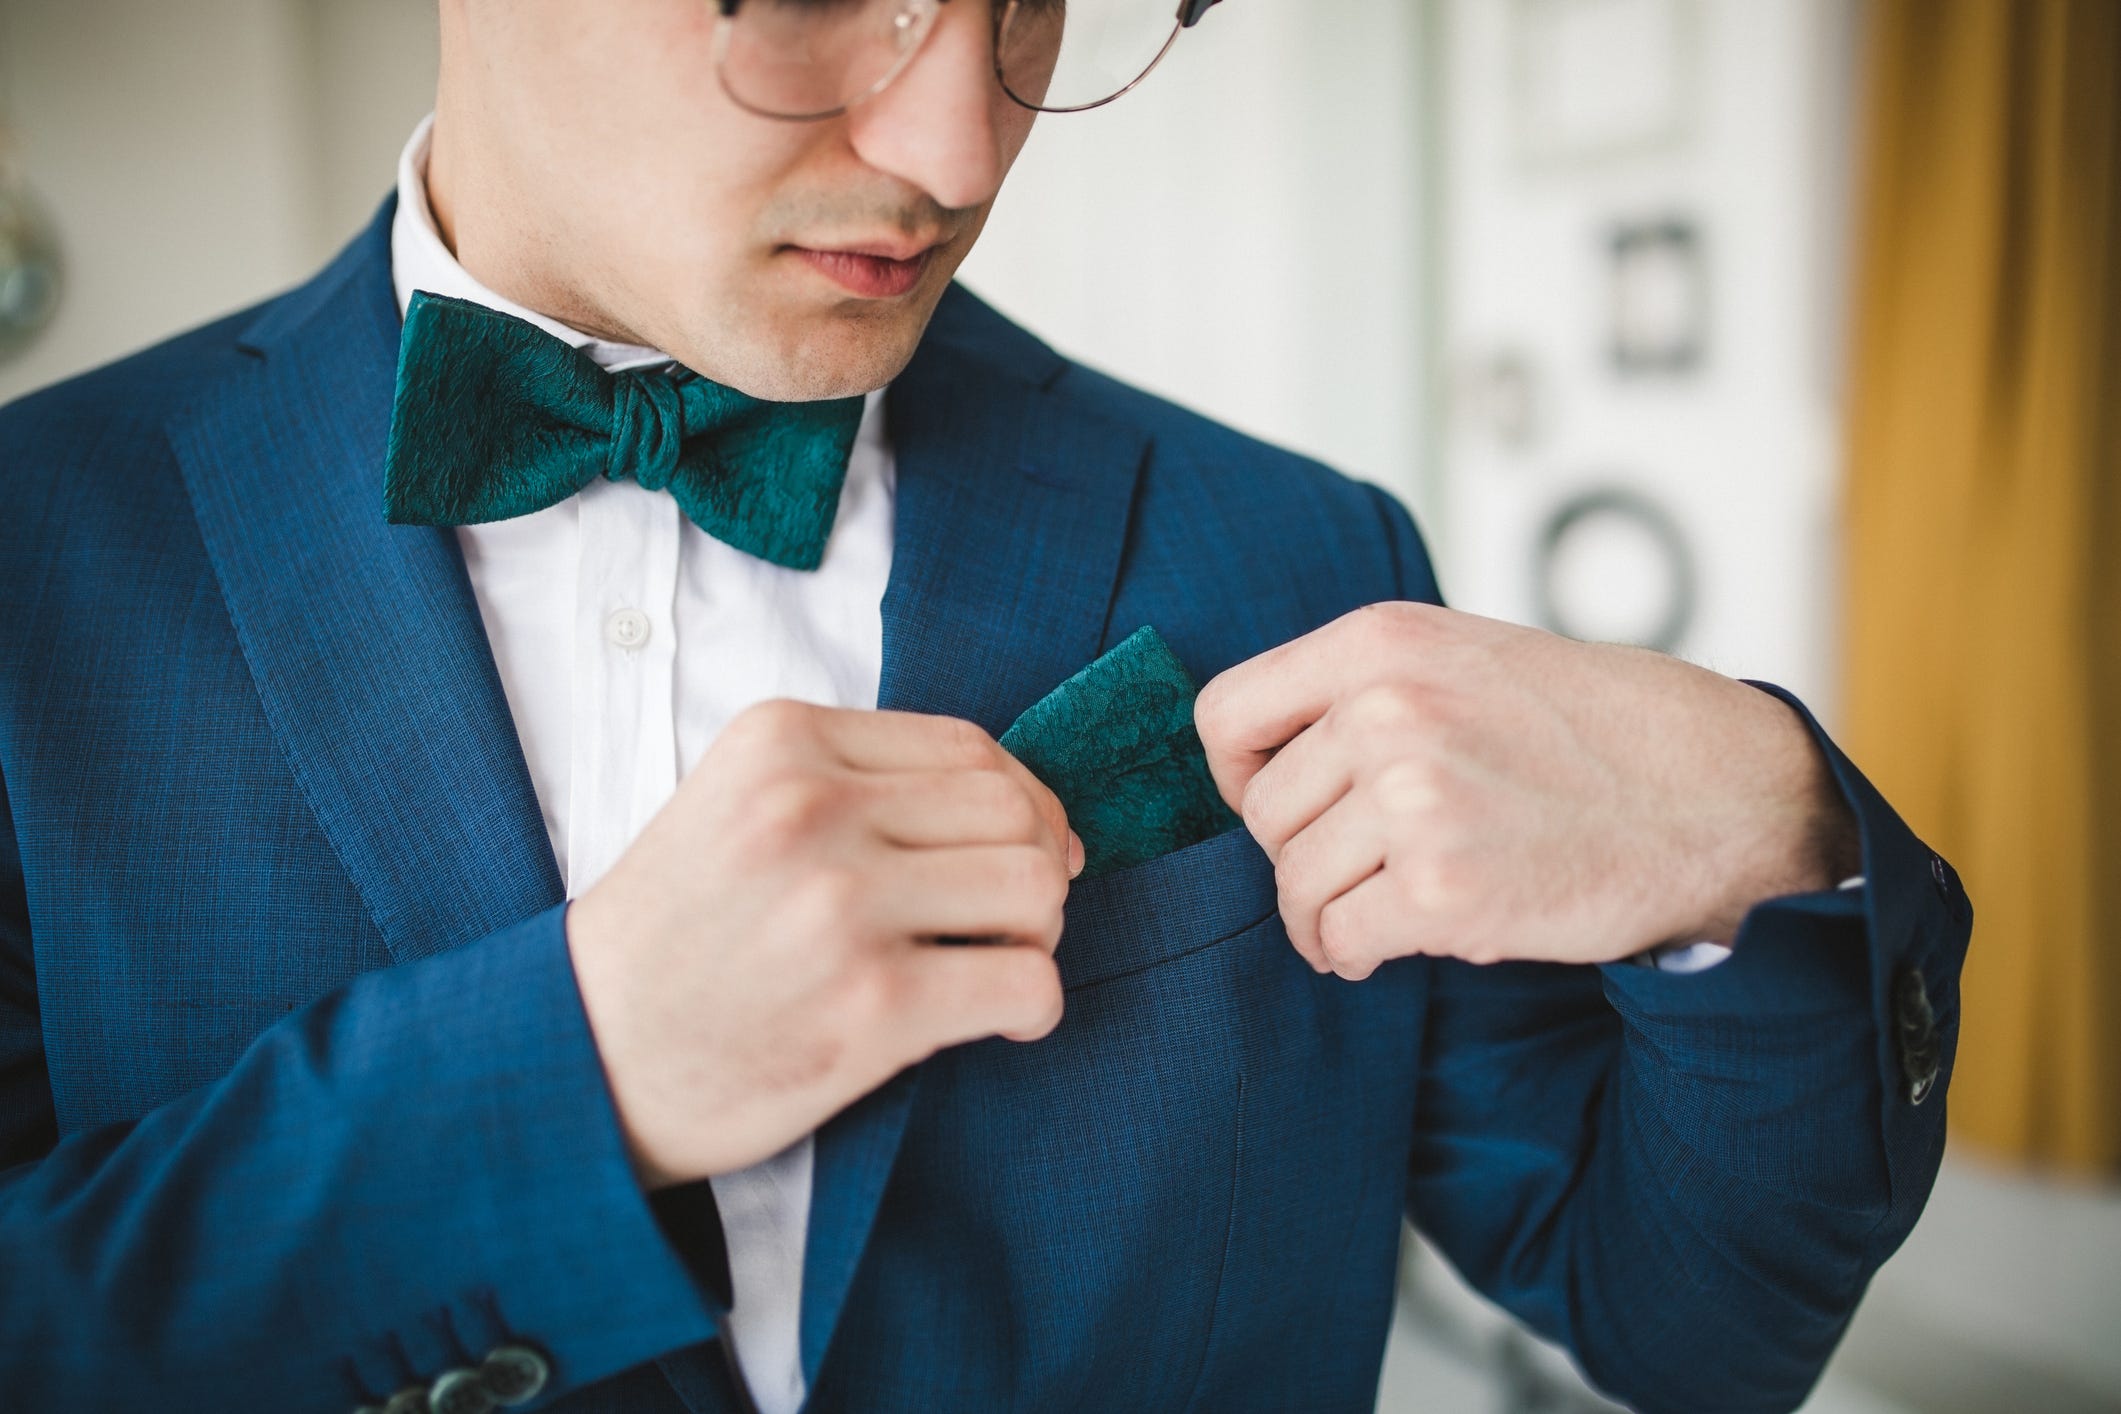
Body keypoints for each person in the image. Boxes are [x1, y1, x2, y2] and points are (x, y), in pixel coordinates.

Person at [0, 1, 1969, 1411]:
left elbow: (1692, 1325)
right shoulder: (35, 552)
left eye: (1034, 2)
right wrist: (574, 1070)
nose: (957, 145)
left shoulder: (1287, 549)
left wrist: (1759, 829)